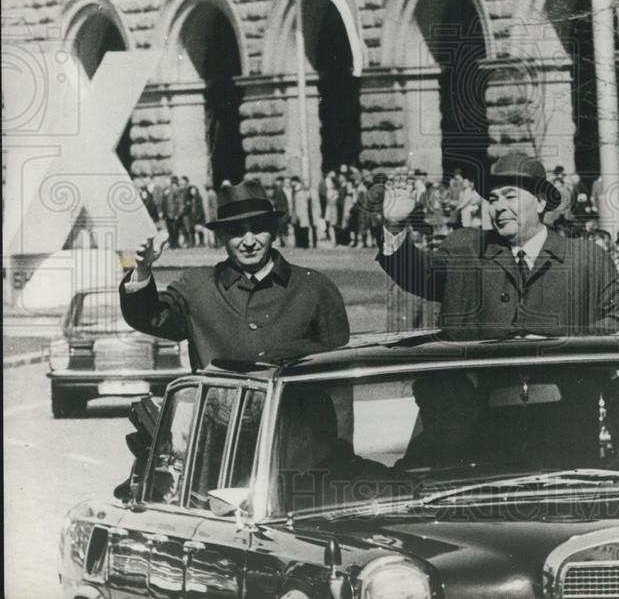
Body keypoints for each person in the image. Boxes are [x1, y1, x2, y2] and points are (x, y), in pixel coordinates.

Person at [377, 153, 619, 339]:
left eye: (510, 196)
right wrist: (395, 225)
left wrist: (562, 342)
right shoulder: (466, 249)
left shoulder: (585, 258)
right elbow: (417, 274)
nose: (499, 207)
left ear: (540, 202)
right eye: (493, 199)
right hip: (479, 410)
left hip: (560, 409)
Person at [120, 179, 350, 370]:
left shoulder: (314, 288)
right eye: (237, 232)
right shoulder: (197, 288)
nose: (249, 242)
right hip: (221, 421)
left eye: (258, 229)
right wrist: (142, 270)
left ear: (273, 232)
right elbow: (150, 318)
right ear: (221, 237)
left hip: (293, 424)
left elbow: (338, 377)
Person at [276, 384, 390, 513]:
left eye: (278, 435)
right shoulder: (375, 473)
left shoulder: (304, 493)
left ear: (304, 438)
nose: (277, 445)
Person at [396, 373, 481, 469]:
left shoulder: (493, 444)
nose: (437, 417)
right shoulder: (420, 447)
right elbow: (409, 471)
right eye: (428, 408)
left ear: (471, 409)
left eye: (446, 408)